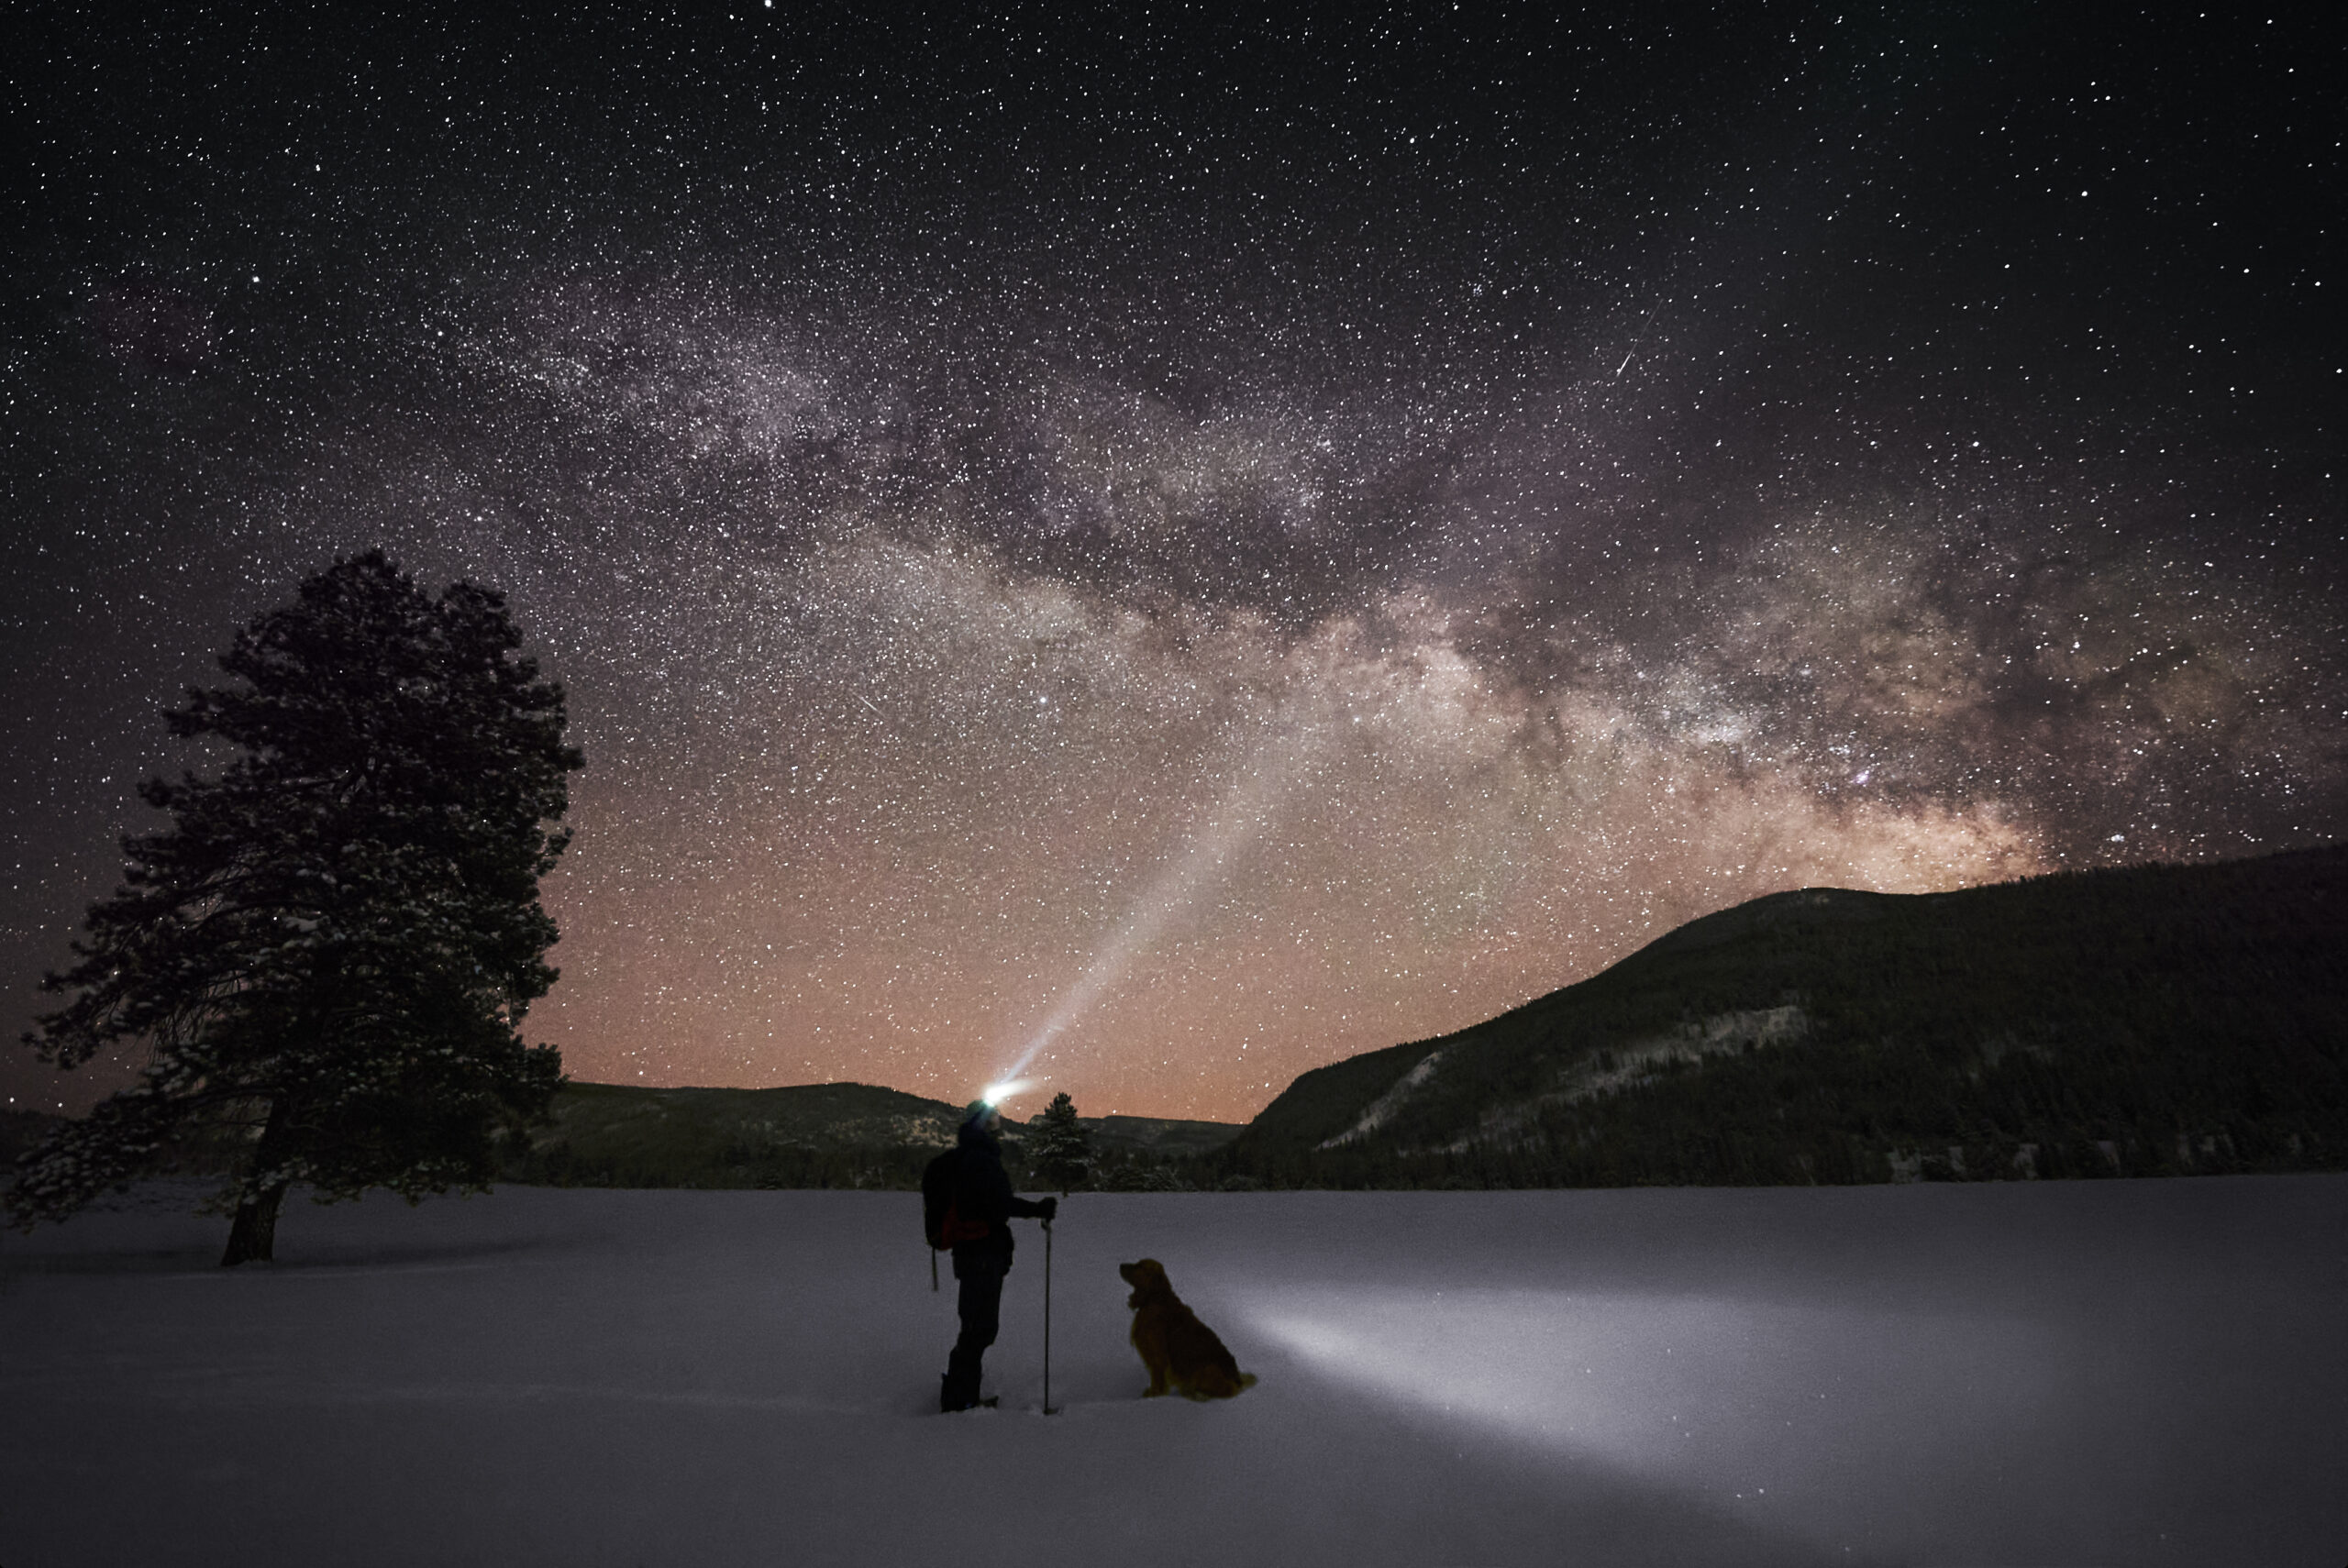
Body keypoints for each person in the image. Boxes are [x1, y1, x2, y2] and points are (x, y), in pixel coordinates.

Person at [941, 1099, 1058, 1412]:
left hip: (975, 1253)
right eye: (993, 1117)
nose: (999, 1121)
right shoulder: (980, 1158)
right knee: (979, 1328)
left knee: (976, 1327)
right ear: (983, 1123)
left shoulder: (972, 1155)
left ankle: (963, 1396)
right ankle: (958, 1401)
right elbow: (998, 1204)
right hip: (981, 1254)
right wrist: (1037, 1210)